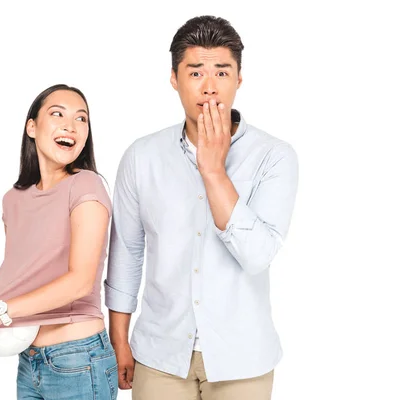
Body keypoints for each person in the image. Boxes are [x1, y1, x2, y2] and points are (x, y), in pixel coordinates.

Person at [105, 16, 299, 399]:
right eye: (195, 72)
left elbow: (258, 255)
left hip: (243, 358)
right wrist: (120, 340)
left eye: (222, 72)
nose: (209, 87)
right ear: (175, 78)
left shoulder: (275, 156)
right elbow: (126, 254)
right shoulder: (141, 157)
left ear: (239, 79)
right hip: (158, 354)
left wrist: (213, 171)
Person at [0, 84, 118, 400]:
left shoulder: (86, 184)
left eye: (81, 119)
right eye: (57, 113)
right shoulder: (13, 200)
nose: (70, 126)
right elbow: (21, 278)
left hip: (78, 359)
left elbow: (80, 282)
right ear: (32, 126)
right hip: (29, 360)